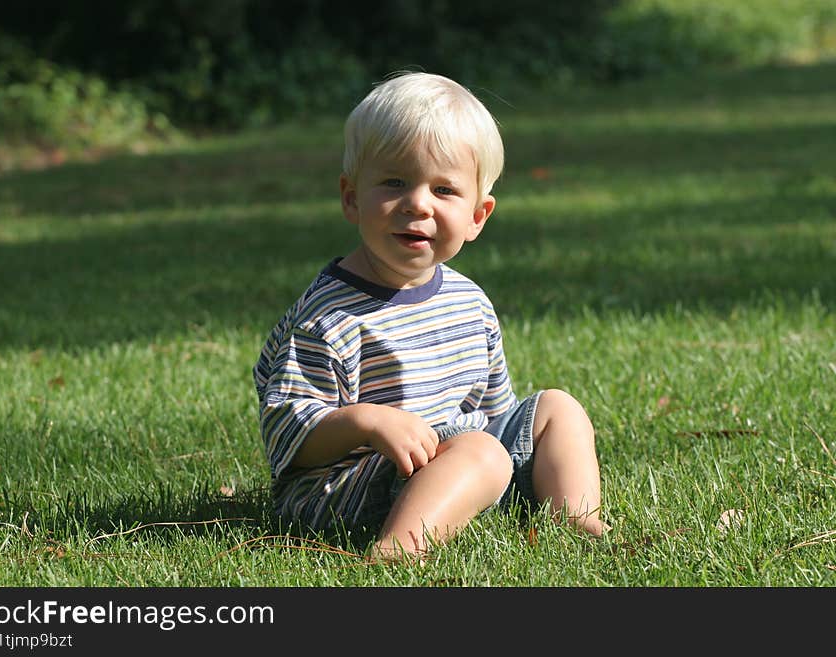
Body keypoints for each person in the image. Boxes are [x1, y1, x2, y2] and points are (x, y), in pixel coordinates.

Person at [253, 71, 605, 560]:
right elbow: (290, 438)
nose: (418, 203)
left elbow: (494, 413)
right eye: (395, 182)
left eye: (444, 190)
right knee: (480, 453)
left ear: (477, 217)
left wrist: (489, 452)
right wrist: (365, 422)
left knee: (556, 408)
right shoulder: (326, 317)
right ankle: (399, 547)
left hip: (458, 458)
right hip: (350, 486)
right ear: (352, 197)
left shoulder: (469, 302)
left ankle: (578, 517)